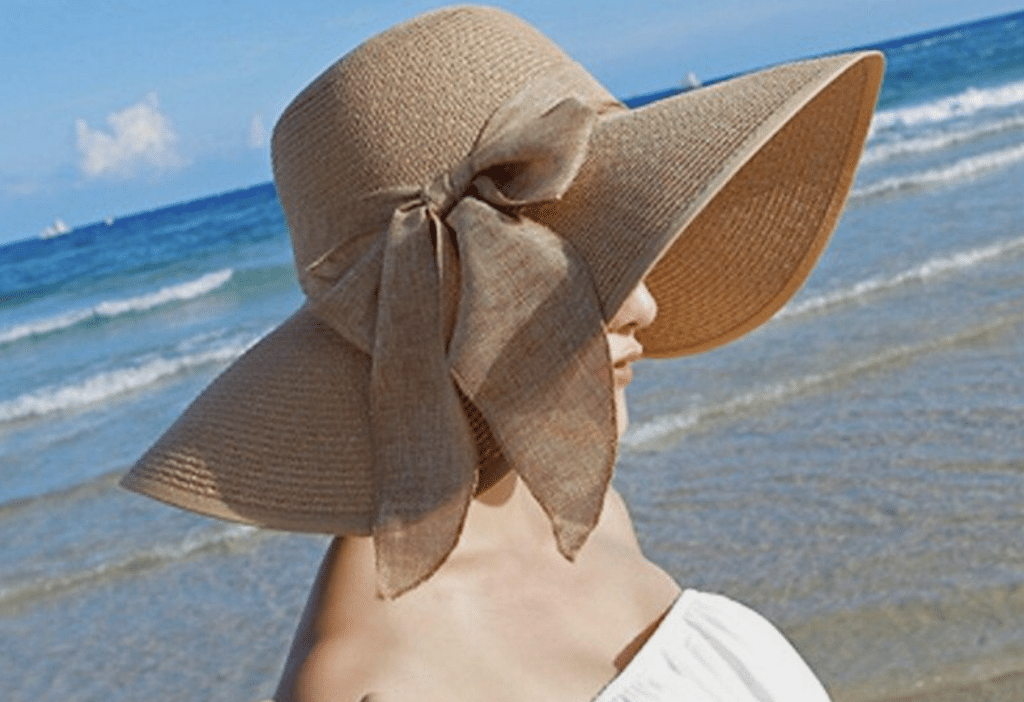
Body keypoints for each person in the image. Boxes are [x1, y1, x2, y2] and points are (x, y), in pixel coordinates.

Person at [120, 6, 884, 701]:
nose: (644, 305)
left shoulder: (586, 514)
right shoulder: (367, 686)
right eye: (577, 264)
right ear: (430, 309)